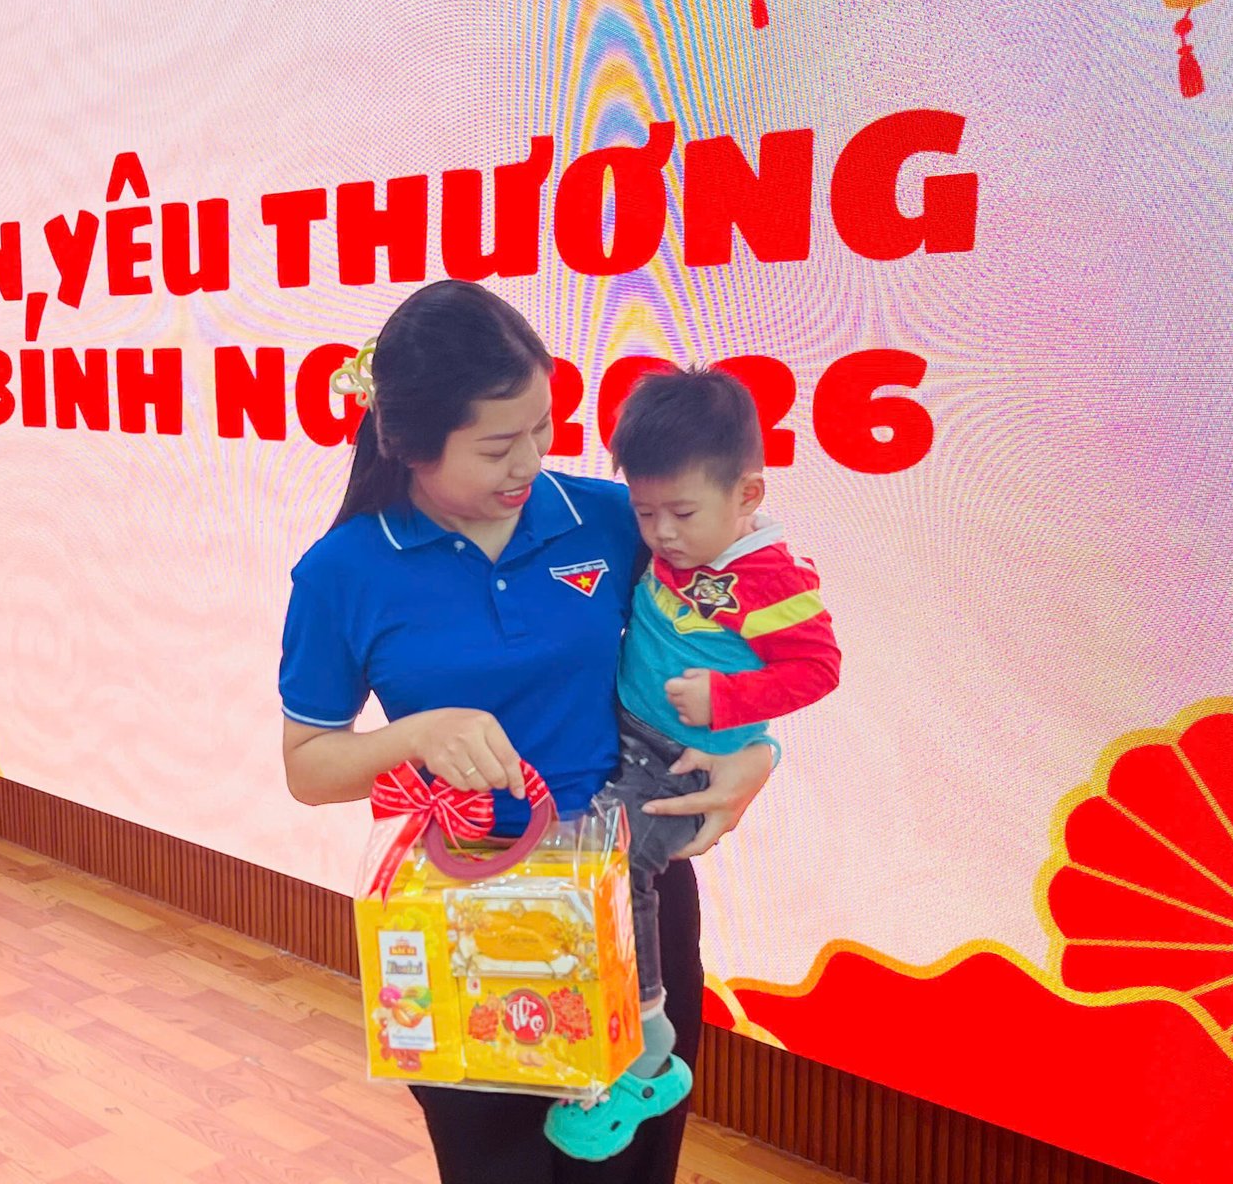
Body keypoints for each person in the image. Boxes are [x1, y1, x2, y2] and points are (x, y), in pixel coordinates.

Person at [277, 280, 776, 1184]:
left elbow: (755, 622)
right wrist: (417, 735)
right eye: (498, 446)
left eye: (543, 428)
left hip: (628, 899)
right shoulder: (340, 574)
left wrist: (760, 752)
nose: (531, 462)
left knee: (628, 1166)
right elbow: (309, 768)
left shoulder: (610, 521)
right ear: (411, 444)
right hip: (458, 912)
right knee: (494, 1167)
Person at [543, 367, 841, 1161]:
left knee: (619, 867)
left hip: (678, 759)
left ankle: (648, 1052)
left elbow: (819, 669)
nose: (663, 534)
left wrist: (729, 700)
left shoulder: (772, 579)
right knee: (581, 857)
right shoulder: (674, 544)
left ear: (748, 494)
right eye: (646, 513)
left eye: (681, 513)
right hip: (623, 731)